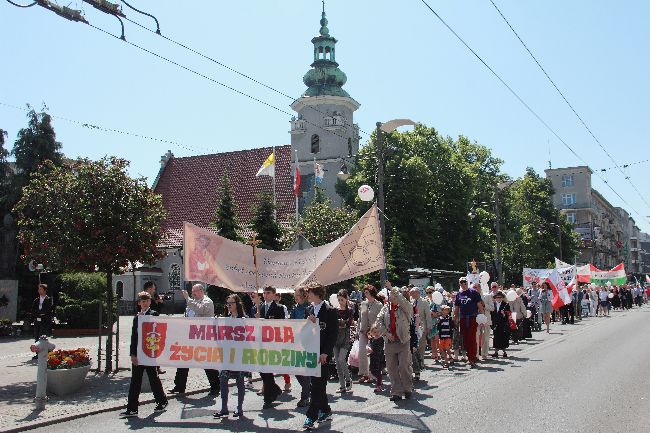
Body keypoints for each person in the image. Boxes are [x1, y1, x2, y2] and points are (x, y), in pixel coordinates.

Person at [120, 291, 168, 417]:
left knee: (153, 378)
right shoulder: (137, 317)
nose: (145, 303)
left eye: (147, 301)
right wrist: (132, 354)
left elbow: (157, 330)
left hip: (149, 352)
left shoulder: (153, 314)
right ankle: (132, 408)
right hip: (138, 353)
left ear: (150, 302)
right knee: (135, 380)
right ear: (139, 303)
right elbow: (133, 337)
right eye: (143, 301)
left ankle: (162, 401)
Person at [168, 284, 219, 396]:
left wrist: (188, 299)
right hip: (189, 336)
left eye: (195, 291)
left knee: (206, 362)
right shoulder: (191, 303)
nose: (193, 293)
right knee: (183, 360)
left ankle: (215, 386)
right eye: (192, 291)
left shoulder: (207, 301)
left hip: (202, 337)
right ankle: (179, 386)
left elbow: (200, 310)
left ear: (201, 291)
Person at [302, 282, 338, 430]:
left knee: (317, 385)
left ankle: (311, 416)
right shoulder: (308, 309)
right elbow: (306, 333)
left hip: (323, 354)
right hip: (311, 353)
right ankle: (326, 411)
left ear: (317, 293)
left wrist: (326, 353)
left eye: (309, 292)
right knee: (316, 385)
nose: (307, 295)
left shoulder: (330, 311)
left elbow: (332, 334)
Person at [372, 286, 413, 402]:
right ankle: (396, 392)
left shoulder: (404, 307)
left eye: (395, 296)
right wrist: (385, 333)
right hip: (390, 342)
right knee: (391, 368)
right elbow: (378, 321)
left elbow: (407, 306)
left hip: (403, 340)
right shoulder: (385, 308)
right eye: (391, 296)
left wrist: (393, 289)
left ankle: (407, 388)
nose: (393, 298)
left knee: (403, 366)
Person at [214, 294, 246, 419]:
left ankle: (239, 408)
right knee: (223, 380)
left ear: (237, 304)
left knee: (240, 381)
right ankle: (224, 408)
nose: (229, 305)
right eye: (227, 303)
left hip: (239, 355)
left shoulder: (244, 319)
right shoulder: (225, 319)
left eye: (231, 303)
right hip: (227, 355)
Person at [259, 286, 285, 409]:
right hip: (260, 343)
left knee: (267, 370)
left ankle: (268, 398)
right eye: (264, 293)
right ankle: (275, 389)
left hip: (272, 343)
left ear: (274, 295)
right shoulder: (258, 307)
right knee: (262, 370)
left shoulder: (279, 308)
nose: (265, 295)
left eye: (268, 293)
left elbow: (281, 326)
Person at [454, 278, 485, 367]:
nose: (463, 284)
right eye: (461, 283)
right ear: (459, 284)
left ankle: (473, 358)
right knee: (466, 340)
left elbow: (480, 306)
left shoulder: (474, 292)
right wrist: (455, 319)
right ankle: (469, 357)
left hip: (472, 318)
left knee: (472, 339)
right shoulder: (459, 294)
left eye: (465, 282)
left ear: (467, 283)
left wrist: (482, 318)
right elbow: (456, 308)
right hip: (463, 319)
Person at [357, 284, 383, 384]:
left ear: (372, 292)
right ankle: (364, 374)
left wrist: (373, 330)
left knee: (373, 353)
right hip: (363, 331)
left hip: (374, 332)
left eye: (367, 292)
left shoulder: (378, 305)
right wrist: (359, 329)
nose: (365, 294)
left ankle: (373, 374)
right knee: (362, 352)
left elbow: (380, 319)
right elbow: (360, 318)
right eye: (364, 292)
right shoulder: (363, 304)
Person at [290, 287, 312, 408]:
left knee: (306, 370)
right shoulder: (295, 308)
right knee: (296, 369)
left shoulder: (310, 308)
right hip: (296, 341)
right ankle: (309, 388)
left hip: (308, 341)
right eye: (295, 295)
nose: (295, 297)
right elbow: (290, 323)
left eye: (297, 295)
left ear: (304, 295)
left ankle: (305, 397)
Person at [333, 290, 354, 393]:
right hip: (335, 338)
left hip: (345, 338)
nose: (340, 302)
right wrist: (340, 322)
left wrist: (341, 322)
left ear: (346, 299)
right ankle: (342, 385)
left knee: (342, 359)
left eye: (342, 299)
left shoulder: (350, 310)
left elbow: (348, 323)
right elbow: (334, 323)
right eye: (339, 300)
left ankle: (348, 379)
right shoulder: (335, 310)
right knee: (337, 363)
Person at [409, 287, 432, 380]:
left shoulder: (424, 302)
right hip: (413, 327)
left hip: (422, 327)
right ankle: (417, 364)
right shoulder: (411, 302)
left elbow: (428, 315)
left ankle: (421, 362)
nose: (411, 295)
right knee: (415, 347)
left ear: (417, 293)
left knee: (421, 346)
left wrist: (428, 327)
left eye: (412, 293)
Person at [368, 292, 386, 392]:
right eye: (373, 332)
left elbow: (379, 348)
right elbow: (370, 346)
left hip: (379, 357)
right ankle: (379, 381)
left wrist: (372, 350)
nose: (375, 333)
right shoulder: (372, 339)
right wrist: (369, 349)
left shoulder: (381, 339)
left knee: (378, 371)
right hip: (373, 358)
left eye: (377, 332)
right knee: (372, 370)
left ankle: (378, 385)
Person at [31, 284, 53, 357]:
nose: (39, 291)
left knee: (42, 336)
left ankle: (47, 351)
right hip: (37, 321)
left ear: (45, 290)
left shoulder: (49, 299)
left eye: (41, 289)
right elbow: (33, 310)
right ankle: (38, 354)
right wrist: (39, 314)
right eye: (39, 289)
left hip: (45, 321)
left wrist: (40, 313)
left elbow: (47, 310)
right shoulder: (36, 300)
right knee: (36, 337)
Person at [478, 283, 496, 361]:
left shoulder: (487, 296)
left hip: (486, 320)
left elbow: (492, 308)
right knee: (476, 338)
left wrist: (484, 305)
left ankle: (484, 354)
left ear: (480, 288)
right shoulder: (472, 296)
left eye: (476, 287)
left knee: (485, 338)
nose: (475, 288)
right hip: (476, 320)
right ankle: (476, 355)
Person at [490, 291, 510, 358]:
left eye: (500, 297)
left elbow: (509, 315)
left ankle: (504, 352)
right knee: (496, 338)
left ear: (502, 298)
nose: (498, 298)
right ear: (495, 298)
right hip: (495, 324)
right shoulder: (493, 304)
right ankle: (496, 352)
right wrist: (492, 324)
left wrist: (504, 314)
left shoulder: (506, 304)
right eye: (497, 297)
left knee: (503, 338)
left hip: (503, 324)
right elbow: (491, 315)